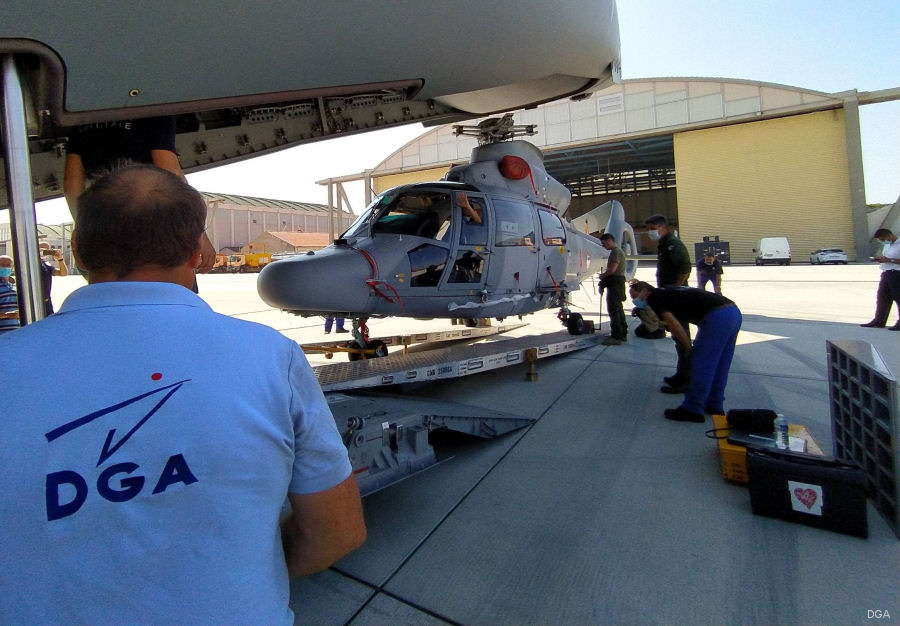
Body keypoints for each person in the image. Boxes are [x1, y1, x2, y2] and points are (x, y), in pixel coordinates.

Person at [0, 166, 366, 624]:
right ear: (197, 253)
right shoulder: (271, 356)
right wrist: (250, 573)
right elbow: (338, 531)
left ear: (77, 249)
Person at [63, 115, 216, 275]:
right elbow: (169, 172)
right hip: (153, 226)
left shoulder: (81, 115)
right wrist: (198, 233)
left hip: (102, 225)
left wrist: (84, 227)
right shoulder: (153, 108)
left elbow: (71, 184)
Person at [629, 280, 742, 423]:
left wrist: (688, 348)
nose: (635, 301)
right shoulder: (667, 290)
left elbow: (674, 324)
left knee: (701, 364)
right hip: (732, 312)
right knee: (721, 364)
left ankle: (693, 408)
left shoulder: (654, 297)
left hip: (716, 317)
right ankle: (714, 403)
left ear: (645, 291)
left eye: (635, 296)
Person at [644, 214, 692, 392]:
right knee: (677, 339)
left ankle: (686, 380)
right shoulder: (664, 245)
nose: (650, 232)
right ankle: (681, 374)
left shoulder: (673, 245)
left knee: (682, 337)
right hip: (670, 295)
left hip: (676, 297)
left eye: (652, 229)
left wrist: (676, 289)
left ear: (662, 227)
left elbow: (685, 268)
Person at [860, 228, 900, 331]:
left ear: (889, 235)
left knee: (898, 298)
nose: (883, 242)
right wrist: (880, 259)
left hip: (897, 273)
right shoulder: (887, 245)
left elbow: (891, 259)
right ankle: (879, 320)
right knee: (882, 298)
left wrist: (890, 260)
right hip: (886, 273)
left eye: (883, 239)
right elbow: (886, 258)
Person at [597, 233, 627, 345]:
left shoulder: (616, 252)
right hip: (617, 283)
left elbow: (612, 270)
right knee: (618, 309)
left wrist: (603, 275)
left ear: (610, 240)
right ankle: (622, 333)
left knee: (614, 310)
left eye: (604, 243)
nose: (603, 246)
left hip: (615, 284)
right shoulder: (617, 252)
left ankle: (616, 336)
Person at [38, 241, 68, 315]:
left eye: (47, 250)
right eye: (42, 249)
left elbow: (63, 273)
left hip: (47, 302)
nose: (45, 252)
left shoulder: (46, 265)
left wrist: (60, 259)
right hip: (36, 301)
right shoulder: (31, 263)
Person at [0, 254, 18, 332]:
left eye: (8, 265)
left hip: (17, 331)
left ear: (12, 267)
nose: (5, 267)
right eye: (2, 265)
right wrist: (8, 315)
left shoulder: (16, 286)